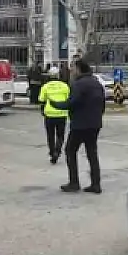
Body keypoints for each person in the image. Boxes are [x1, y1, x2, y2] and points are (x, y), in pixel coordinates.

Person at [49, 60, 105, 193]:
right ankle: (96, 184)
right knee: (92, 153)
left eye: (73, 68)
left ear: (79, 69)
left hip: (80, 125)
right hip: (95, 124)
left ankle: (74, 183)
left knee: (70, 150)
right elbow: (102, 104)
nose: (71, 71)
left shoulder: (78, 84)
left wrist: (55, 104)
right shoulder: (96, 83)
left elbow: (71, 103)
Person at [38, 70, 71, 164]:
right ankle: (58, 150)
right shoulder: (65, 86)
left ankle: (52, 152)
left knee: (50, 135)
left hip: (49, 114)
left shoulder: (46, 86)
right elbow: (69, 99)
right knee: (60, 135)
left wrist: (42, 110)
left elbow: (41, 100)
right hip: (61, 114)